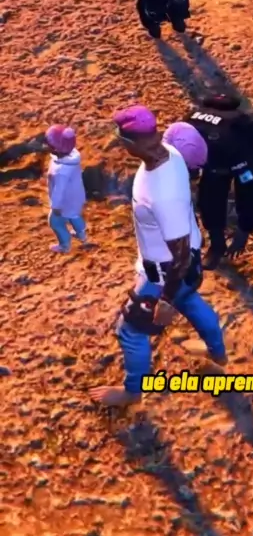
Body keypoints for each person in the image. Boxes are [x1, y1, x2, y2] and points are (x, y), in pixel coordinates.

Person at [90, 105, 226, 409]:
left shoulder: (162, 193)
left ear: (129, 143)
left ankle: (132, 392)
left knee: (130, 331)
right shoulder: (171, 152)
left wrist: (165, 300)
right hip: (188, 258)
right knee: (191, 302)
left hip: (165, 272)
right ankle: (218, 353)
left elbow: (179, 253)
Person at [163, 92, 253, 270]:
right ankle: (217, 245)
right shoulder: (180, 132)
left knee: (247, 186)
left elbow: (252, 189)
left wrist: (244, 229)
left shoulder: (236, 146)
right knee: (209, 197)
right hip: (214, 151)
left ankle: (241, 230)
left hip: (244, 145)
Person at [45, 124, 87, 253]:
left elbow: (59, 190)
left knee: (55, 223)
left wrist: (56, 206)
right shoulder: (73, 157)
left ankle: (65, 245)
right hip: (77, 196)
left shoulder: (61, 171)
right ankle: (81, 234)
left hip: (64, 202)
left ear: (56, 148)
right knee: (74, 215)